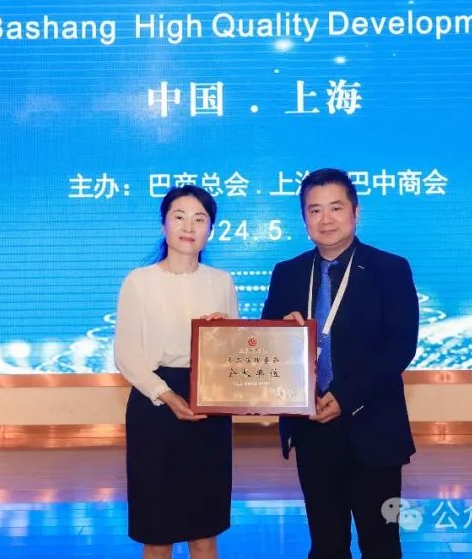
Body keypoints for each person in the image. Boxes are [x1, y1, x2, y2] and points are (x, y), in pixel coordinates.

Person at [261, 168, 419, 559]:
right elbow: (265, 346)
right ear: (304, 218)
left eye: (335, 208)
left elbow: (400, 346)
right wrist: (280, 333)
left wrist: (345, 396)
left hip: (374, 428)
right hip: (312, 429)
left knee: (381, 543)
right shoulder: (288, 273)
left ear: (355, 212)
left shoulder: (390, 269)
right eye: (314, 210)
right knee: (326, 544)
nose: (325, 219)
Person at [114, 185, 239, 559]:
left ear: (211, 229)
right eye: (179, 217)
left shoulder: (222, 281)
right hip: (155, 403)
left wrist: (224, 333)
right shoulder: (139, 281)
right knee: (157, 532)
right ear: (163, 224)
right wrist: (166, 395)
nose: (189, 226)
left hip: (209, 402)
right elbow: (126, 355)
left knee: (205, 532)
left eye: (200, 219)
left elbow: (237, 355)